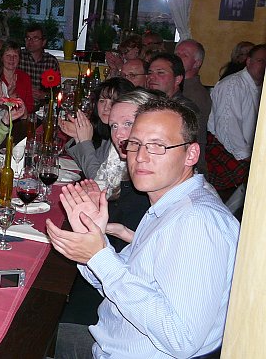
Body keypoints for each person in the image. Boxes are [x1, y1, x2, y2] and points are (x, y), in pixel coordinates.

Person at [49, 97, 239, 359]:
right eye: (135, 144)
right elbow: (117, 284)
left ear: (191, 154)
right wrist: (92, 240)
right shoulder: (168, 206)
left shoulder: (197, 222)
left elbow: (182, 339)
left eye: (158, 146)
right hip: (109, 341)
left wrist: (99, 256)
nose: (140, 157)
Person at [59, 89, 158, 327]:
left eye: (128, 124)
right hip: (113, 273)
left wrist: (112, 236)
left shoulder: (152, 182)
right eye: (114, 126)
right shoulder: (128, 170)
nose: (119, 134)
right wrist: (111, 229)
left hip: (127, 304)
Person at [207, 44, 266, 213]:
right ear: (248, 61)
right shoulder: (232, 85)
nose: (264, 66)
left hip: (244, 151)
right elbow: (227, 129)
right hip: (222, 148)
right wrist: (248, 157)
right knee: (255, 176)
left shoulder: (259, 86)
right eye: (260, 61)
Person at [61, 78, 135, 185]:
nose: (106, 107)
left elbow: (98, 180)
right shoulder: (107, 132)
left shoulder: (124, 138)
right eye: (102, 101)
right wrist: (78, 138)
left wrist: (85, 142)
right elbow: (88, 165)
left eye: (113, 102)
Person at [146, 53, 207, 170]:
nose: (151, 77)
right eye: (150, 73)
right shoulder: (153, 103)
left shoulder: (183, 110)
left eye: (160, 73)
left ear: (178, 79)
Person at [175, 39, 212, 133]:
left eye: (185, 55)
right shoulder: (177, 85)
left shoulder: (195, 94)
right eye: (176, 54)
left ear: (197, 63)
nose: (178, 58)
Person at [18, 23, 60, 106]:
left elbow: (57, 91)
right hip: (21, 104)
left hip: (43, 107)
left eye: (35, 38)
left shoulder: (51, 61)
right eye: (28, 38)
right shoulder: (18, 57)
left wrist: (44, 95)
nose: (30, 41)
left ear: (43, 42)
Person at [0, 41, 34, 114]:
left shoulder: (25, 77)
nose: (12, 59)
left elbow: (30, 106)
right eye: (8, 55)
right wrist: (8, 93)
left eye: (15, 56)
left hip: (21, 117)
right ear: (1, 58)